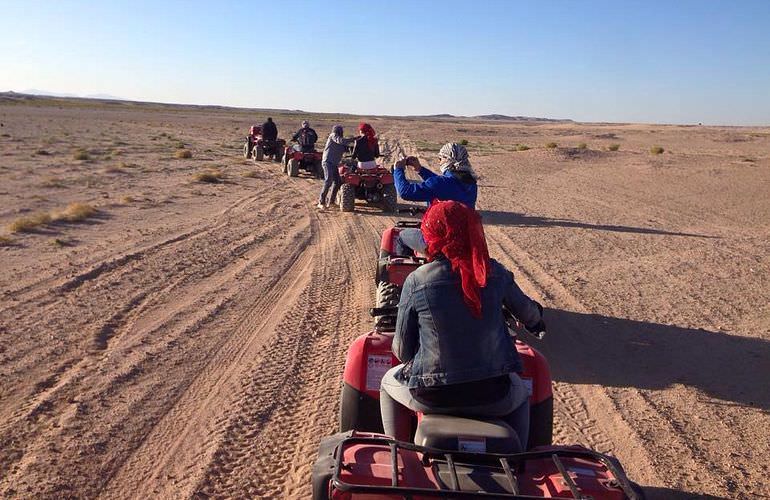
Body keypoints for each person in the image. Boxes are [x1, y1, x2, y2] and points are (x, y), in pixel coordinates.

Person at [379, 200, 545, 447]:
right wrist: (537, 319)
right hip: (492, 395)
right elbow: (530, 315)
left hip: (432, 395)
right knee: (520, 392)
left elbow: (402, 351)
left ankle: (401, 453)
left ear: (431, 235)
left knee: (386, 383)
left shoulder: (417, 280)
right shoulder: (494, 273)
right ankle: (519, 462)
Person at [393, 142, 478, 254]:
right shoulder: (471, 184)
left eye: (440, 158)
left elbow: (405, 192)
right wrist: (420, 169)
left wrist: (398, 170)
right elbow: (444, 185)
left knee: (401, 237)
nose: (439, 162)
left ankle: (404, 270)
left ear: (448, 160)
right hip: (464, 238)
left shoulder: (441, 184)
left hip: (440, 240)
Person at [318, 124, 355, 209]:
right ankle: (321, 202)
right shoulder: (333, 136)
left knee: (338, 182)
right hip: (327, 162)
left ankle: (331, 202)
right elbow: (341, 141)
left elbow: (348, 149)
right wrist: (353, 139)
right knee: (328, 181)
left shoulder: (340, 141)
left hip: (334, 163)